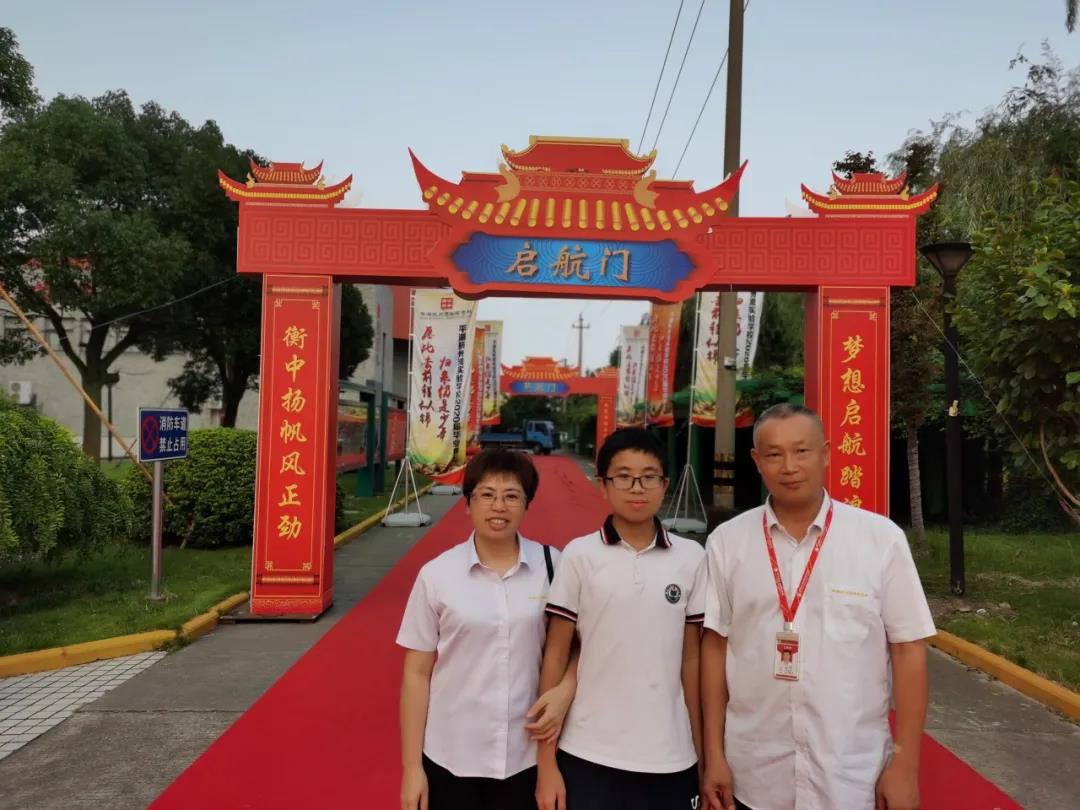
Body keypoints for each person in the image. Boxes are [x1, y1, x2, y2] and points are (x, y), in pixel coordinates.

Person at [700, 403, 936, 810]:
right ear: (757, 460)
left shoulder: (880, 540)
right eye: (774, 454)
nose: (789, 467)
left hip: (851, 774)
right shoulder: (727, 542)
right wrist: (714, 755)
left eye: (802, 451)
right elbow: (715, 647)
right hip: (754, 773)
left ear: (826, 453)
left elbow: (908, 650)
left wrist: (905, 764)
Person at [397, 448, 577, 810]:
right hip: (452, 755)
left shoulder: (554, 567)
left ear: (526, 505)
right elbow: (416, 674)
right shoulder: (437, 575)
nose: (499, 507)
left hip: (527, 755)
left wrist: (566, 688)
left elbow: (578, 645)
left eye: (512, 496)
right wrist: (412, 768)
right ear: (467, 503)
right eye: (487, 495)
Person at [537, 428, 706, 810]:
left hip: (671, 756)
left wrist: (702, 755)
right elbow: (556, 654)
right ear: (603, 485)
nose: (637, 488)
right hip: (587, 751)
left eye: (649, 477)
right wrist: (545, 765)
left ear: (665, 484)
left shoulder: (691, 557)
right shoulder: (580, 555)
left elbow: (692, 660)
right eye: (624, 477)